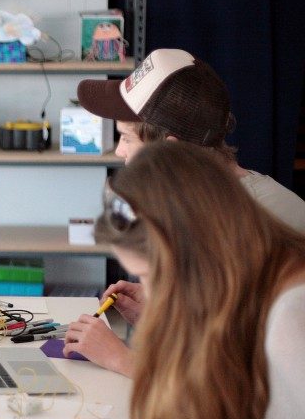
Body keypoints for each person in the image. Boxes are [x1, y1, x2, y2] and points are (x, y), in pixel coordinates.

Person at [93, 142, 305, 419]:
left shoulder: (293, 322)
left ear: (194, 254)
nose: (150, 292)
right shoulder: (259, 285)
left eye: (153, 277)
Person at [65, 48, 305, 374]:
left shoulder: (246, 226)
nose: (119, 151)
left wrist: (122, 359)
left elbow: (230, 381)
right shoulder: (211, 203)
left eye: (126, 138)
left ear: (170, 149)